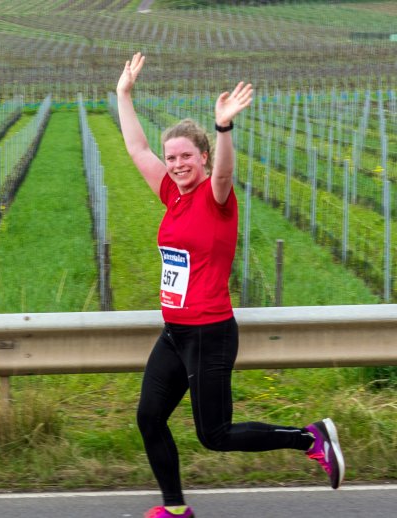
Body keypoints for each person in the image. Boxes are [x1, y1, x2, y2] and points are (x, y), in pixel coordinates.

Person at [115, 53, 344, 518]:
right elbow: (138, 150)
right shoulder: (171, 194)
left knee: (213, 434)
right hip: (175, 332)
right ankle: (175, 508)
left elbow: (223, 173)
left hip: (210, 333)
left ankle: (310, 438)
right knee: (149, 417)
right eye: (172, 157)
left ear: (200, 156)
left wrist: (223, 129)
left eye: (186, 157)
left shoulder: (216, 197)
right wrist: (123, 93)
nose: (177, 164)